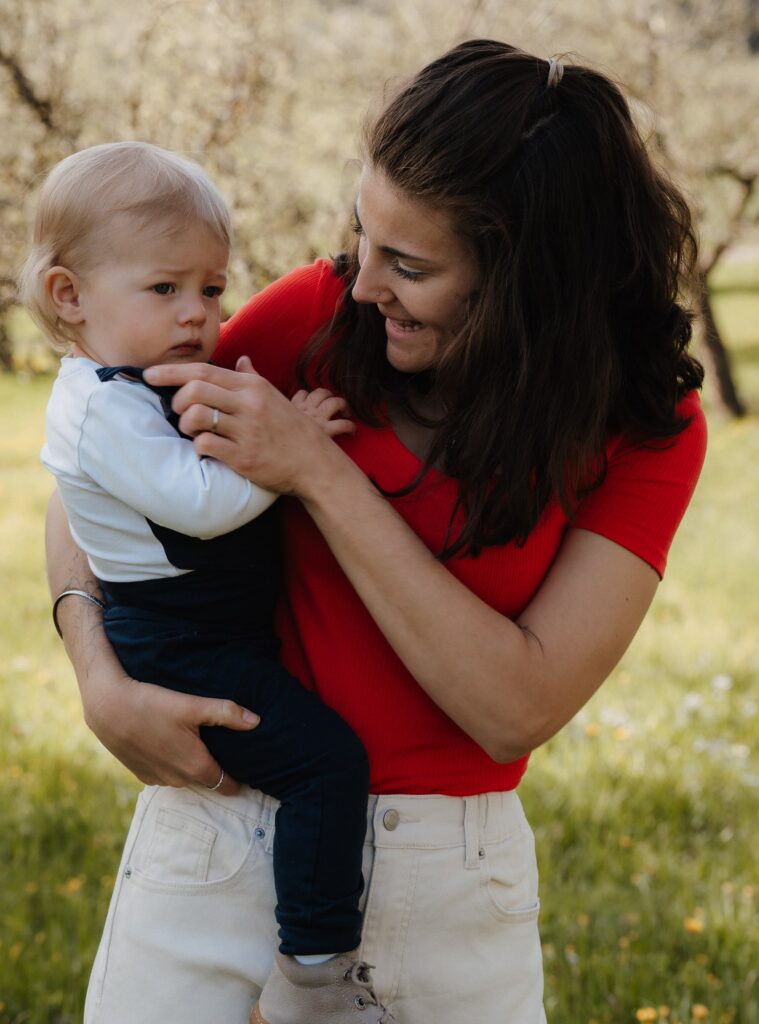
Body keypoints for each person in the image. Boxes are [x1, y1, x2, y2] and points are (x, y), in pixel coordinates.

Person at [45, 40, 707, 1024]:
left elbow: (514, 707)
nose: (363, 285)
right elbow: (96, 463)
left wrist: (317, 472)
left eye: (409, 265)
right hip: (225, 838)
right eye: (364, 237)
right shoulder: (315, 317)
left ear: (527, 280)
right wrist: (98, 674)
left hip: (453, 888)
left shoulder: (648, 427)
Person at [24, 141, 397, 1024]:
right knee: (325, 764)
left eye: (213, 288)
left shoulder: (134, 381)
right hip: (179, 645)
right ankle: (314, 960)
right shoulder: (99, 406)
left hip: (206, 630)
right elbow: (198, 505)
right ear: (70, 296)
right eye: (165, 288)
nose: (197, 312)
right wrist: (289, 451)